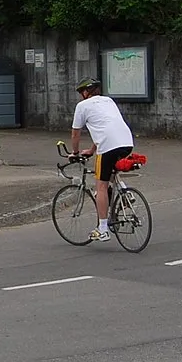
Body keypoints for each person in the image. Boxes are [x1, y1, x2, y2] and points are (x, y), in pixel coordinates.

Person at [68, 78, 134, 242]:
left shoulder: (82, 106)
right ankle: (124, 192)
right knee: (110, 169)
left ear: (85, 92)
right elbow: (105, 128)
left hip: (108, 146)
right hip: (127, 142)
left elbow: (75, 134)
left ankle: (103, 229)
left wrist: (75, 152)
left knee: (101, 186)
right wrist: (91, 150)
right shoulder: (108, 101)